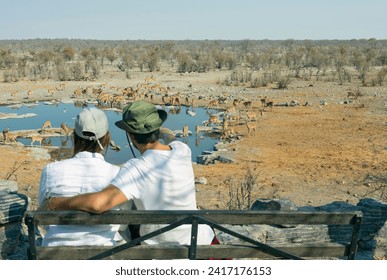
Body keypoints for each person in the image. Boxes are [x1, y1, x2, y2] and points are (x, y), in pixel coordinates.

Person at [47, 101, 215, 245]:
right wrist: (159, 130)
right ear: (157, 128)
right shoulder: (182, 150)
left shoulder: (136, 168)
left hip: (163, 255)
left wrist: (56, 203)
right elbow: (171, 138)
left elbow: (98, 203)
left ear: (131, 136)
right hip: (201, 242)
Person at [38, 107, 132, 246]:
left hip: (56, 252)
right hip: (105, 252)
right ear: (107, 137)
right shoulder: (117, 174)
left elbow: (44, 218)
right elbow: (122, 224)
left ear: (74, 136)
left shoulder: (51, 170)